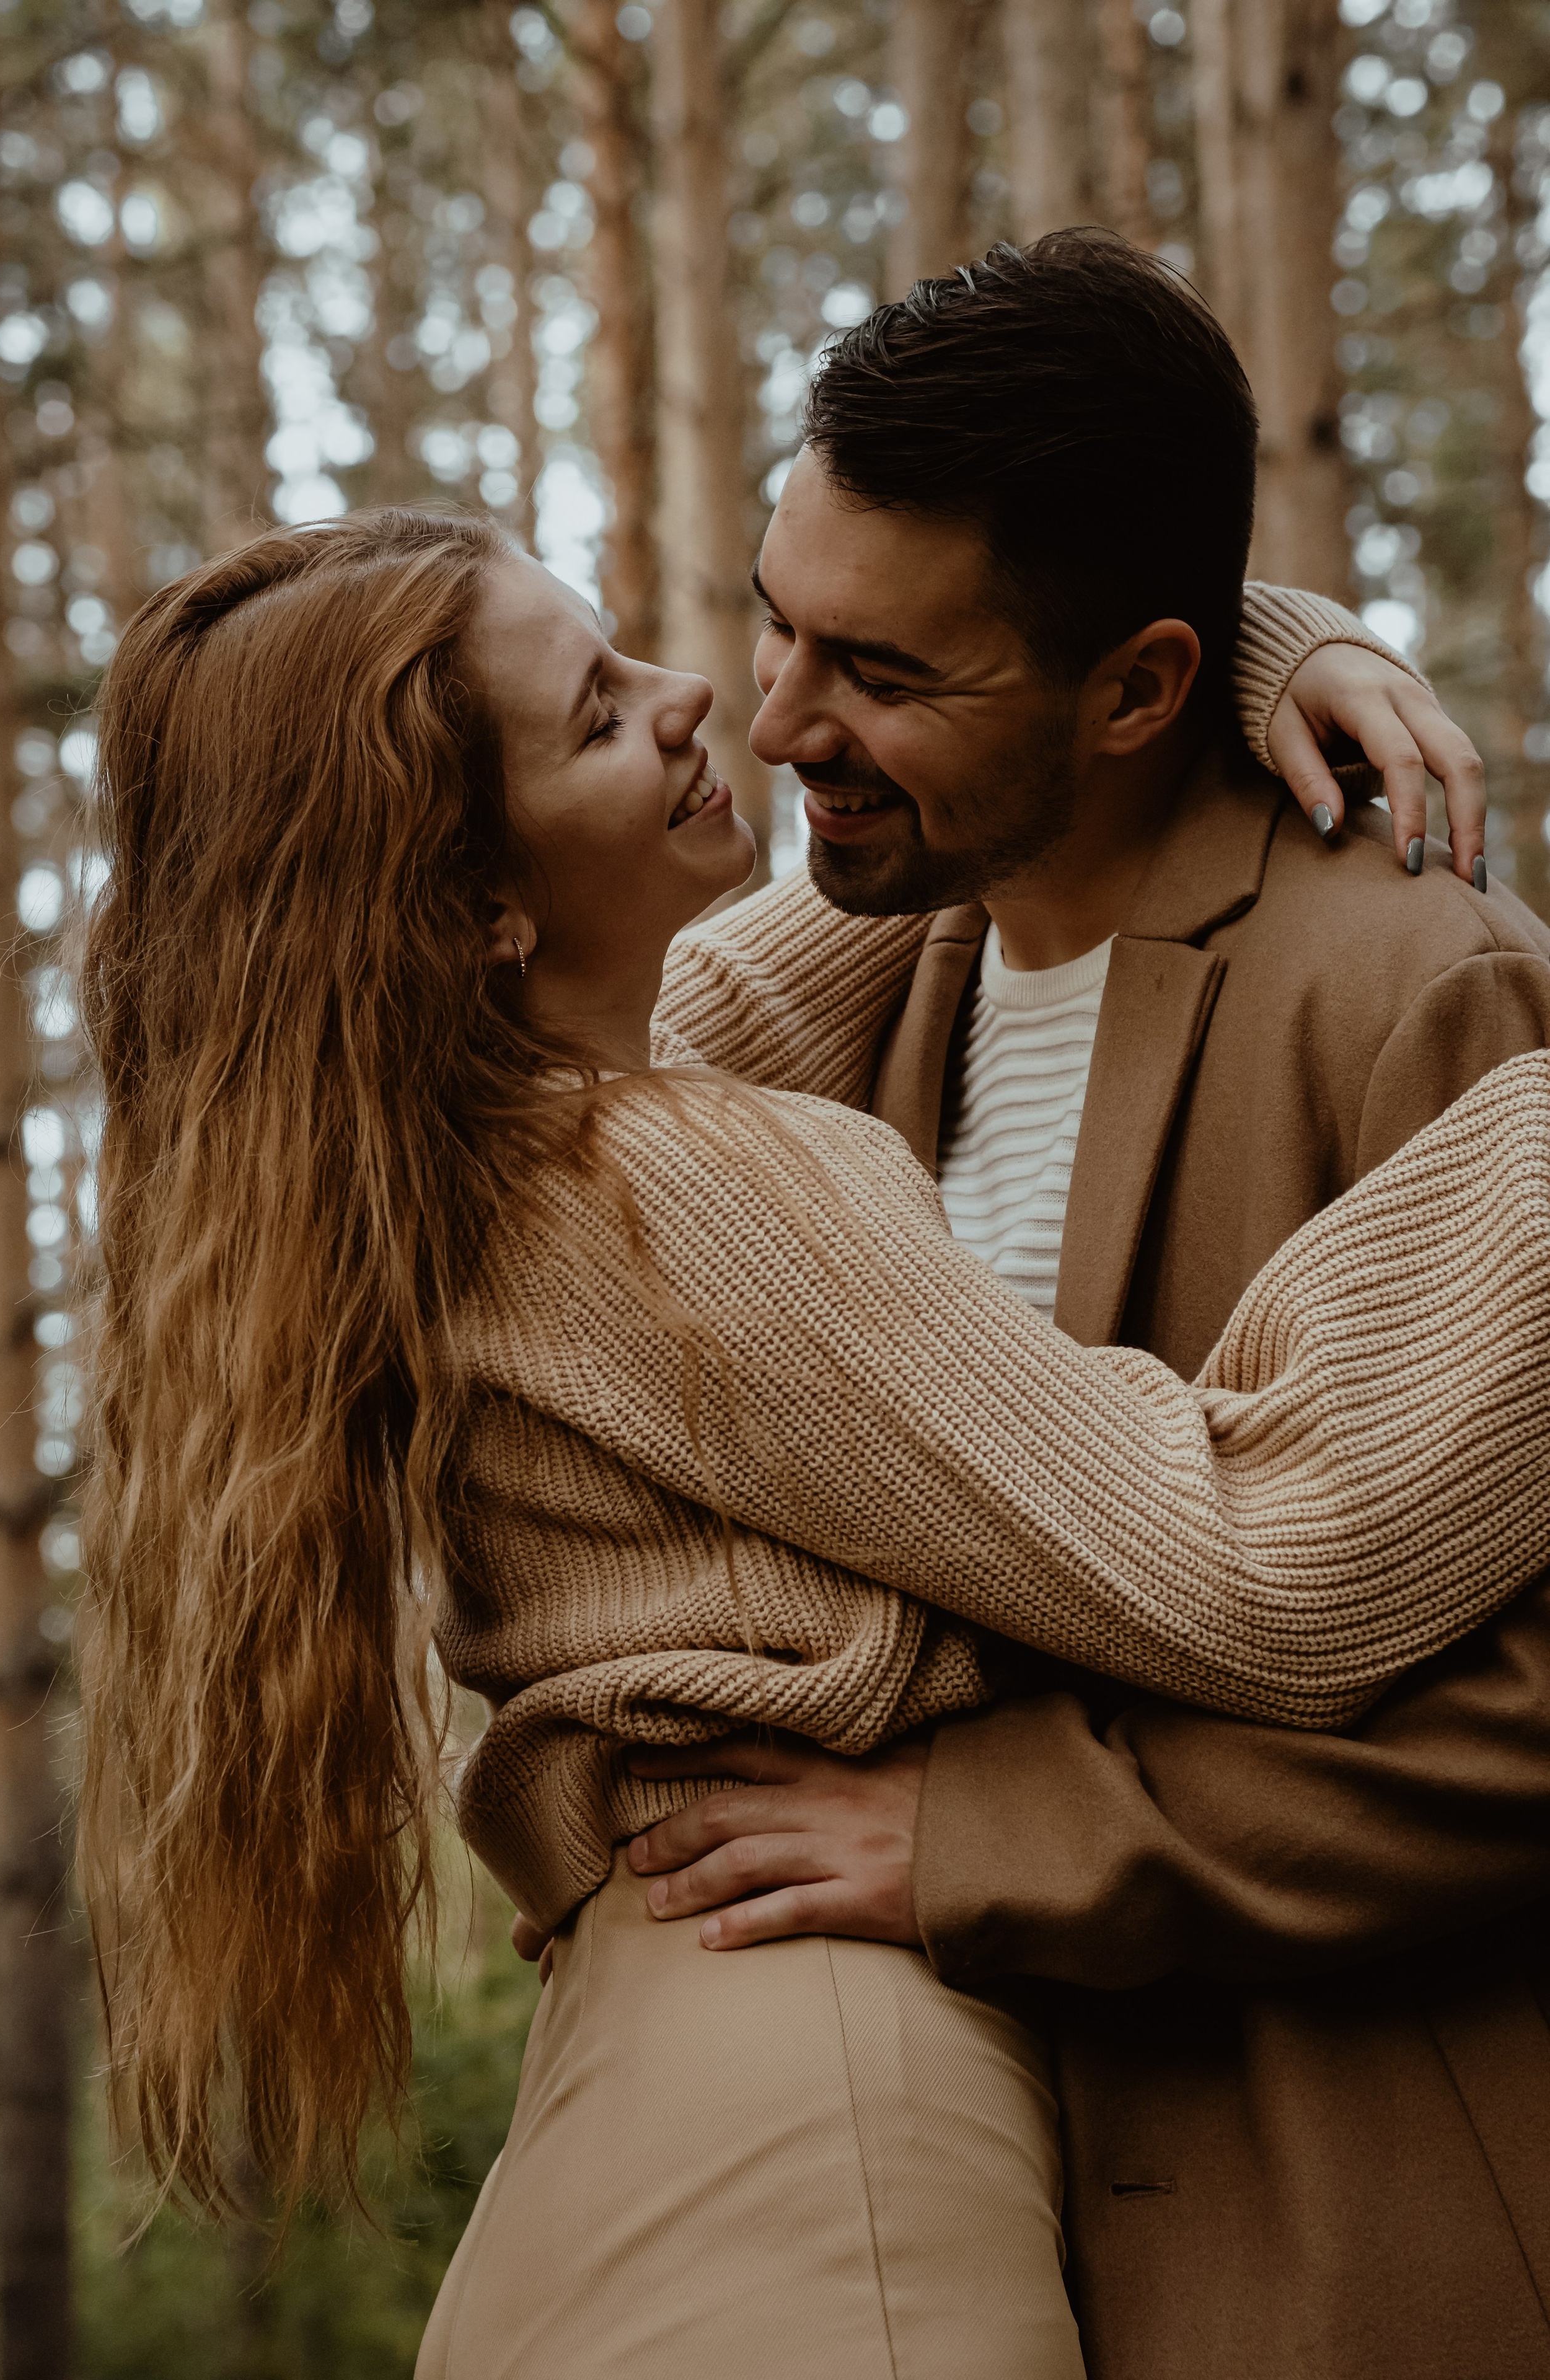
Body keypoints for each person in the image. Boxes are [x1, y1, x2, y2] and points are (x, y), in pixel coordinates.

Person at [74, 507, 1547, 2380]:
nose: (710, 702)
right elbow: (1261, 1560)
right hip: (816, 2110)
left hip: (665, 2062)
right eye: (602, 715)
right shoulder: (672, 1192)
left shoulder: (486, 1122)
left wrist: (1253, 642)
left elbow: (952, 818)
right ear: (473, 913)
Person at [589, 237, 1550, 2380]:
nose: (774, 720)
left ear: (1133, 691)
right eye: (773, 617)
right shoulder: (869, 979)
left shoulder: (1423, 991)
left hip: (1360, 2238)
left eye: (879, 672)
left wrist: (996, 1840)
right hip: (954, 2225)